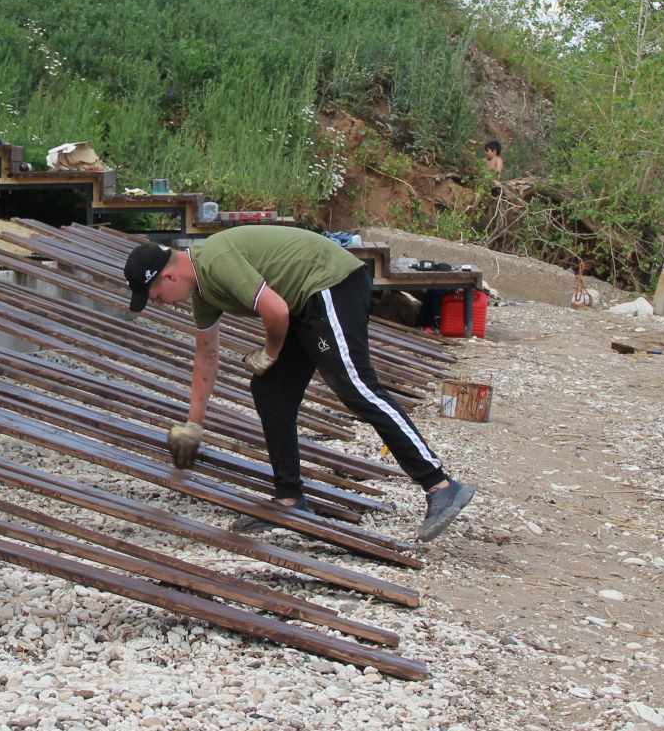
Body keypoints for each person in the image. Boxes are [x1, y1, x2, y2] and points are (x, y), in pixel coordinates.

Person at [124, 226, 477, 542]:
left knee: (355, 386)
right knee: (270, 391)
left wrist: (270, 352)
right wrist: (194, 425)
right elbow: (206, 356)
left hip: (328, 282)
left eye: (155, 297)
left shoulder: (214, 261)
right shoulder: (203, 292)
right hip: (301, 301)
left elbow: (275, 311)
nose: (161, 305)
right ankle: (290, 498)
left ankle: (440, 485)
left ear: (168, 278)